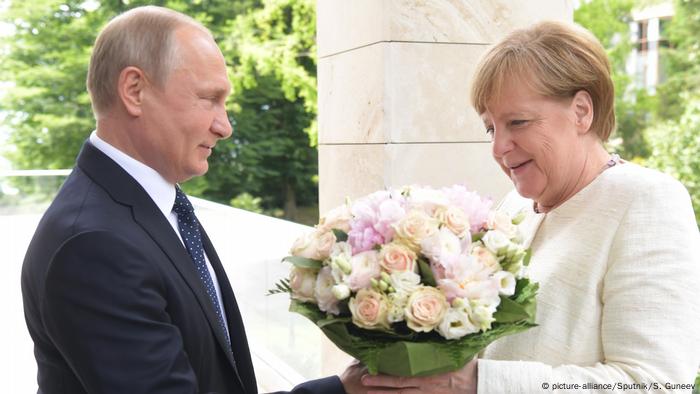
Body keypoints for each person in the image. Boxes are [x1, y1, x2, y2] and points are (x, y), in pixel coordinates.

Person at [21, 6, 364, 393]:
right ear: (134, 91)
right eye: (209, 99)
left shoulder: (152, 204)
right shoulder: (94, 245)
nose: (225, 126)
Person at [359, 20, 700, 393]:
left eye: (517, 122)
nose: (498, 147)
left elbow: (657, 384)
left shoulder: (647, 201)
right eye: (491, 128)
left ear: (581, 112)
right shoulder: (515, 207)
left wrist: (479, 383)